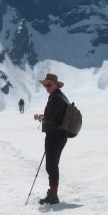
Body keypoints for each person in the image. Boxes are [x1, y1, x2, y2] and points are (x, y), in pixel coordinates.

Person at [33, 73, 69, 205]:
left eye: (49, 84)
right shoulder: (60, 97)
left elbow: (49, 119)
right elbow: (54, 116)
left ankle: (53, 195)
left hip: (55, 135)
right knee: (52, 164)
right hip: (60, 135)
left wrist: (39, 117)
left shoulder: (55, 99)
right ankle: (53, 192)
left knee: (51, 165)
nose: (46, 87)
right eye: (45, 85)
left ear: (55, 84)